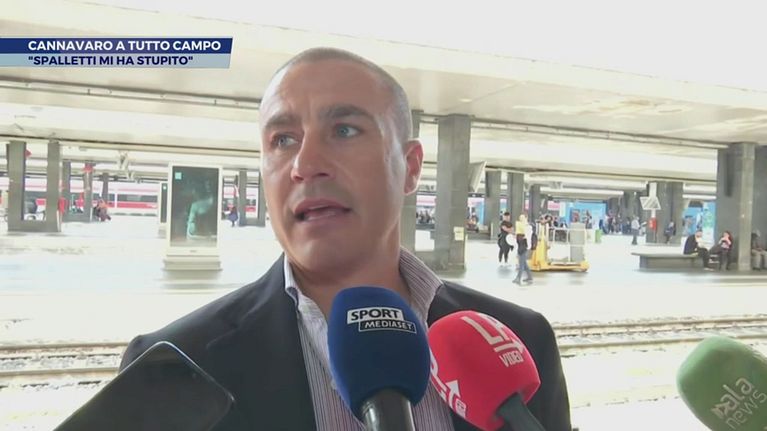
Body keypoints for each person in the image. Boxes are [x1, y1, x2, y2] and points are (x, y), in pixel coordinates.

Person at [119, 48, 571, 430]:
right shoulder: (172, 368)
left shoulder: (522, 341)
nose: (305, 164)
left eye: (344, 131)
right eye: (282, 140)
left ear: (411, 167)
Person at [513, 214, 534, 285]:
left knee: (521, 263)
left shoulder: (528, 227)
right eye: (520, 218)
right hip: (520, 245)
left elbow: (528, 237)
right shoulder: (519, 226)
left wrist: (524, 236)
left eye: (522, 218)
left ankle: (518, 278)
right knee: (524, 263)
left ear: (526, 218)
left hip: (524, 246)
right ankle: (530, 277)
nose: (521, 219)